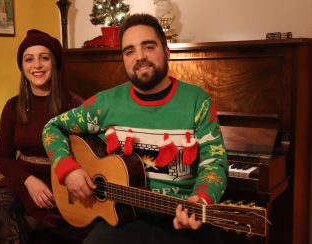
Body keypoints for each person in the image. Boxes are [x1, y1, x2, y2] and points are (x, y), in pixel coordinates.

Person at [42, 13, 228, 244]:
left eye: (148, 47)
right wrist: (68, 170)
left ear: (167, 52)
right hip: (123, 216)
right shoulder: (105, 104)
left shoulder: (196, 101)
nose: (139, 57)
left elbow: (215, 162)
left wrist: (200, 199)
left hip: (181, 218)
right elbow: (52, 127)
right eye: (129, 51)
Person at [0, 29, 84, 243]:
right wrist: (29, 181)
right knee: (0, 197)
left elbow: (91, 158)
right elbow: (2, 158)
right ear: (22, 67)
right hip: (26, 179)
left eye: (44, 58)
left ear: (56, 64)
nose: (37, 66)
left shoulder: (75, 105)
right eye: (28, 59)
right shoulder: (13, 107)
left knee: (28, 227)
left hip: (63, 183)